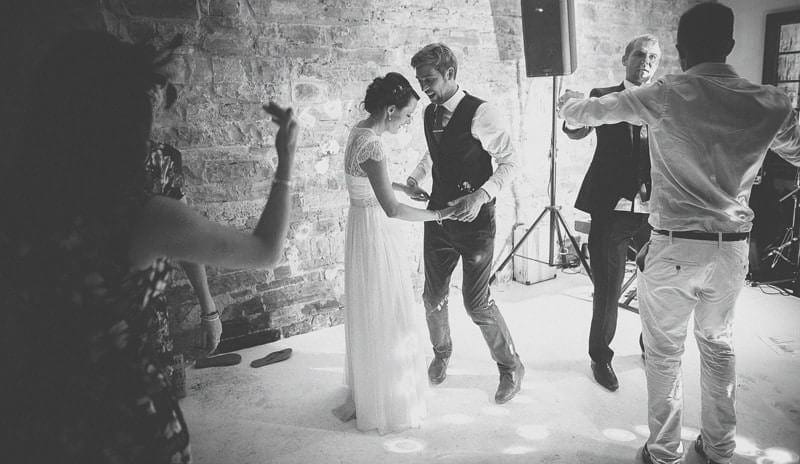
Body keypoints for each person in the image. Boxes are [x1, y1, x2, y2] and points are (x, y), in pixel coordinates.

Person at [0, 30, 298, 463]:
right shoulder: (143, 217)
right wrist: (286, 161)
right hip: (121, 416)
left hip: (37, 411)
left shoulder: (17, 206)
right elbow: (264, 250)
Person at [558, 3, 800, 464]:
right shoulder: (770, 102)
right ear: (730, 45)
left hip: (673, 246)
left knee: (665, 353)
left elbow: (591, 111)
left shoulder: (665, 94)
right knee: (719, 346)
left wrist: (567, 103)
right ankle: (720, 447)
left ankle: (665, 452)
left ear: (680, 48)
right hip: (731, 251)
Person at [403, 43, 524, 404]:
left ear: (450, 73)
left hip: (475, 224)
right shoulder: (429, 112)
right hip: (438, 219)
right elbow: (434, 152)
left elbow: (510, 162)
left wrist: (480, 196)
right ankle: (441, 354)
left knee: (477, 303)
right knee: (432, 297)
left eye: (430, 79)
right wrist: (415, 177)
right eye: (420, 80)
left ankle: (511, 366)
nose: (424, 87)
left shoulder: (483, 112)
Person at [338, 72, 455, 434]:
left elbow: (369, 181)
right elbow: (391, 209)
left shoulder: (359, 132)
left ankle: (369, 388)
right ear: (390, 110)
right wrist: (438, 215)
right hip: (374, 229)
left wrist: (403, 186)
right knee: (385, 307)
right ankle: (387, 397)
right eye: (405, 115)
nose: (406, 122)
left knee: (371, 305)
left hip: (359, 224)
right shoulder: (373, 145)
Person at [562, 34, 661, 392]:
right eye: (640, 54)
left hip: (655, 211)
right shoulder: (603, 95)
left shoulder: (664, 101)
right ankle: (600, 357)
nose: (646, 61)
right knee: (607, 288)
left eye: (653, 57)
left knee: (657, 287)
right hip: (611, 208)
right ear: (625, 58)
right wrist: (571, 114)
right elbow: (577, 129)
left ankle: (651, 347)